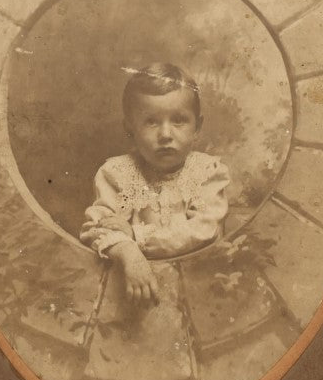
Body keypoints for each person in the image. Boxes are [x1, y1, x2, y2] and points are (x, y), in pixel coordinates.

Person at [80, 63, 230, 304]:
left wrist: (136, 237)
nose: (165, 134)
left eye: (179, 120)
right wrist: (128, 252)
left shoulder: (206, 172)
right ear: (130, 129)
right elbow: (96, 227)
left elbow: (203, 230)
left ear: (197, 127)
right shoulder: (117, 173)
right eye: (151, 122)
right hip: (135, 290)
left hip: (198, 290)